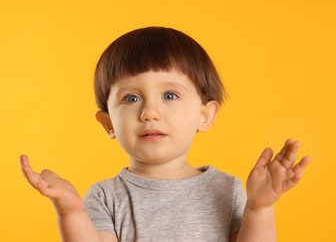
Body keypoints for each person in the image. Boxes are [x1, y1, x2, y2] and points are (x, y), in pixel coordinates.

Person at [20, 26, 311, 242]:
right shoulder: (105, 197)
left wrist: (259, 208)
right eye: (131, 99)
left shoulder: (228, 190)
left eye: (169, 95)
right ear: (108, 123)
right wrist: (70, 212)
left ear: (204, 115)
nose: (150, 112)